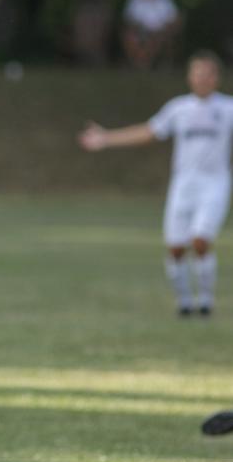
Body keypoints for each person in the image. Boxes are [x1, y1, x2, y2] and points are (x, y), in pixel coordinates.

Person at [79, 51, 232, 316]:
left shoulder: (228, 108)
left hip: (214, 185)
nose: (202, 78)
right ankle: (184, 303)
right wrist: (106, 138)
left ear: (216, 78)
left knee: (199, 240)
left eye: (207, 73)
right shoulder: (179, 108)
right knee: (175, 247)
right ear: (190, 77)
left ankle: (206, 301)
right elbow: (148, 132)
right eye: (197, 73)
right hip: (183, 185)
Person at [121, 0, 181, 69]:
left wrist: (166, 28)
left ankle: (145, 63)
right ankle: (139, 62)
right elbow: (129, 18)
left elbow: (174, 18)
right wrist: (136, 27)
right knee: (130, 38)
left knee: (154, 40)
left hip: (160, 31)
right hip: (139, 30)